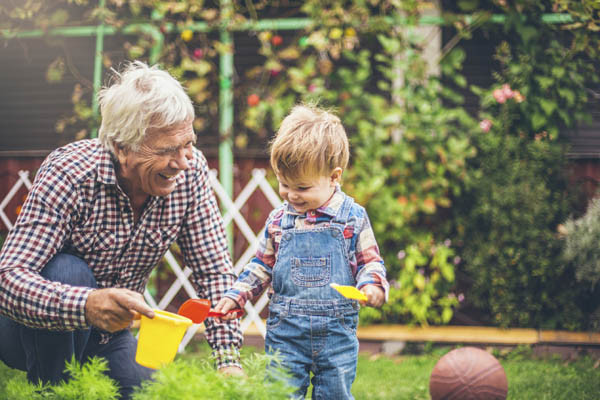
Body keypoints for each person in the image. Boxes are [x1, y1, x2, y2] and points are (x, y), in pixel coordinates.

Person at [0, 60, 243, 399]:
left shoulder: (191, 173)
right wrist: (85, 304)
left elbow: (214, 271)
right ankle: (52, 391)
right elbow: (8, 278)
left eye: (188, 143)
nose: (184, 161)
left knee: (147, 392)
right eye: (167, 150)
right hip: (32, 331)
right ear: (122, 147)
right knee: (68, 270)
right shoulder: (69, 173)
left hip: (108, 337)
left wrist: (228, 360)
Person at [215, 105, 389, 399]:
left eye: (303, 187)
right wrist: (238, 294)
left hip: (337, 334)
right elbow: (261, 266)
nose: (291, 195)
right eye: (284, 184)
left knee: (334, 394)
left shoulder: (352, 218)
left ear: (334, 177)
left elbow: (369, 262)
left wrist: (372, 285)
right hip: (286, 332)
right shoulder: (278, 221)